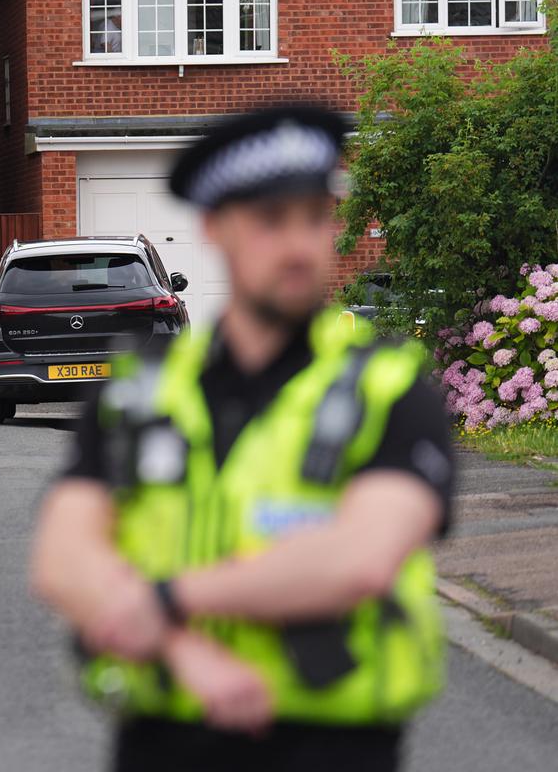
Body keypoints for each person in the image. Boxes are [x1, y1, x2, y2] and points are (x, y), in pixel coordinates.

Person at [30, 104, 454, 772]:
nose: (299, 245)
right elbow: (62, 556)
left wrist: (168, 601)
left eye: (315, 218)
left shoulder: (391, 387)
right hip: (162, 738)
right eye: (270, 221)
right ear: (213, 229)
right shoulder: (140, 391)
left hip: (332, 746)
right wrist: (183, 651)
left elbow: (361, 559)